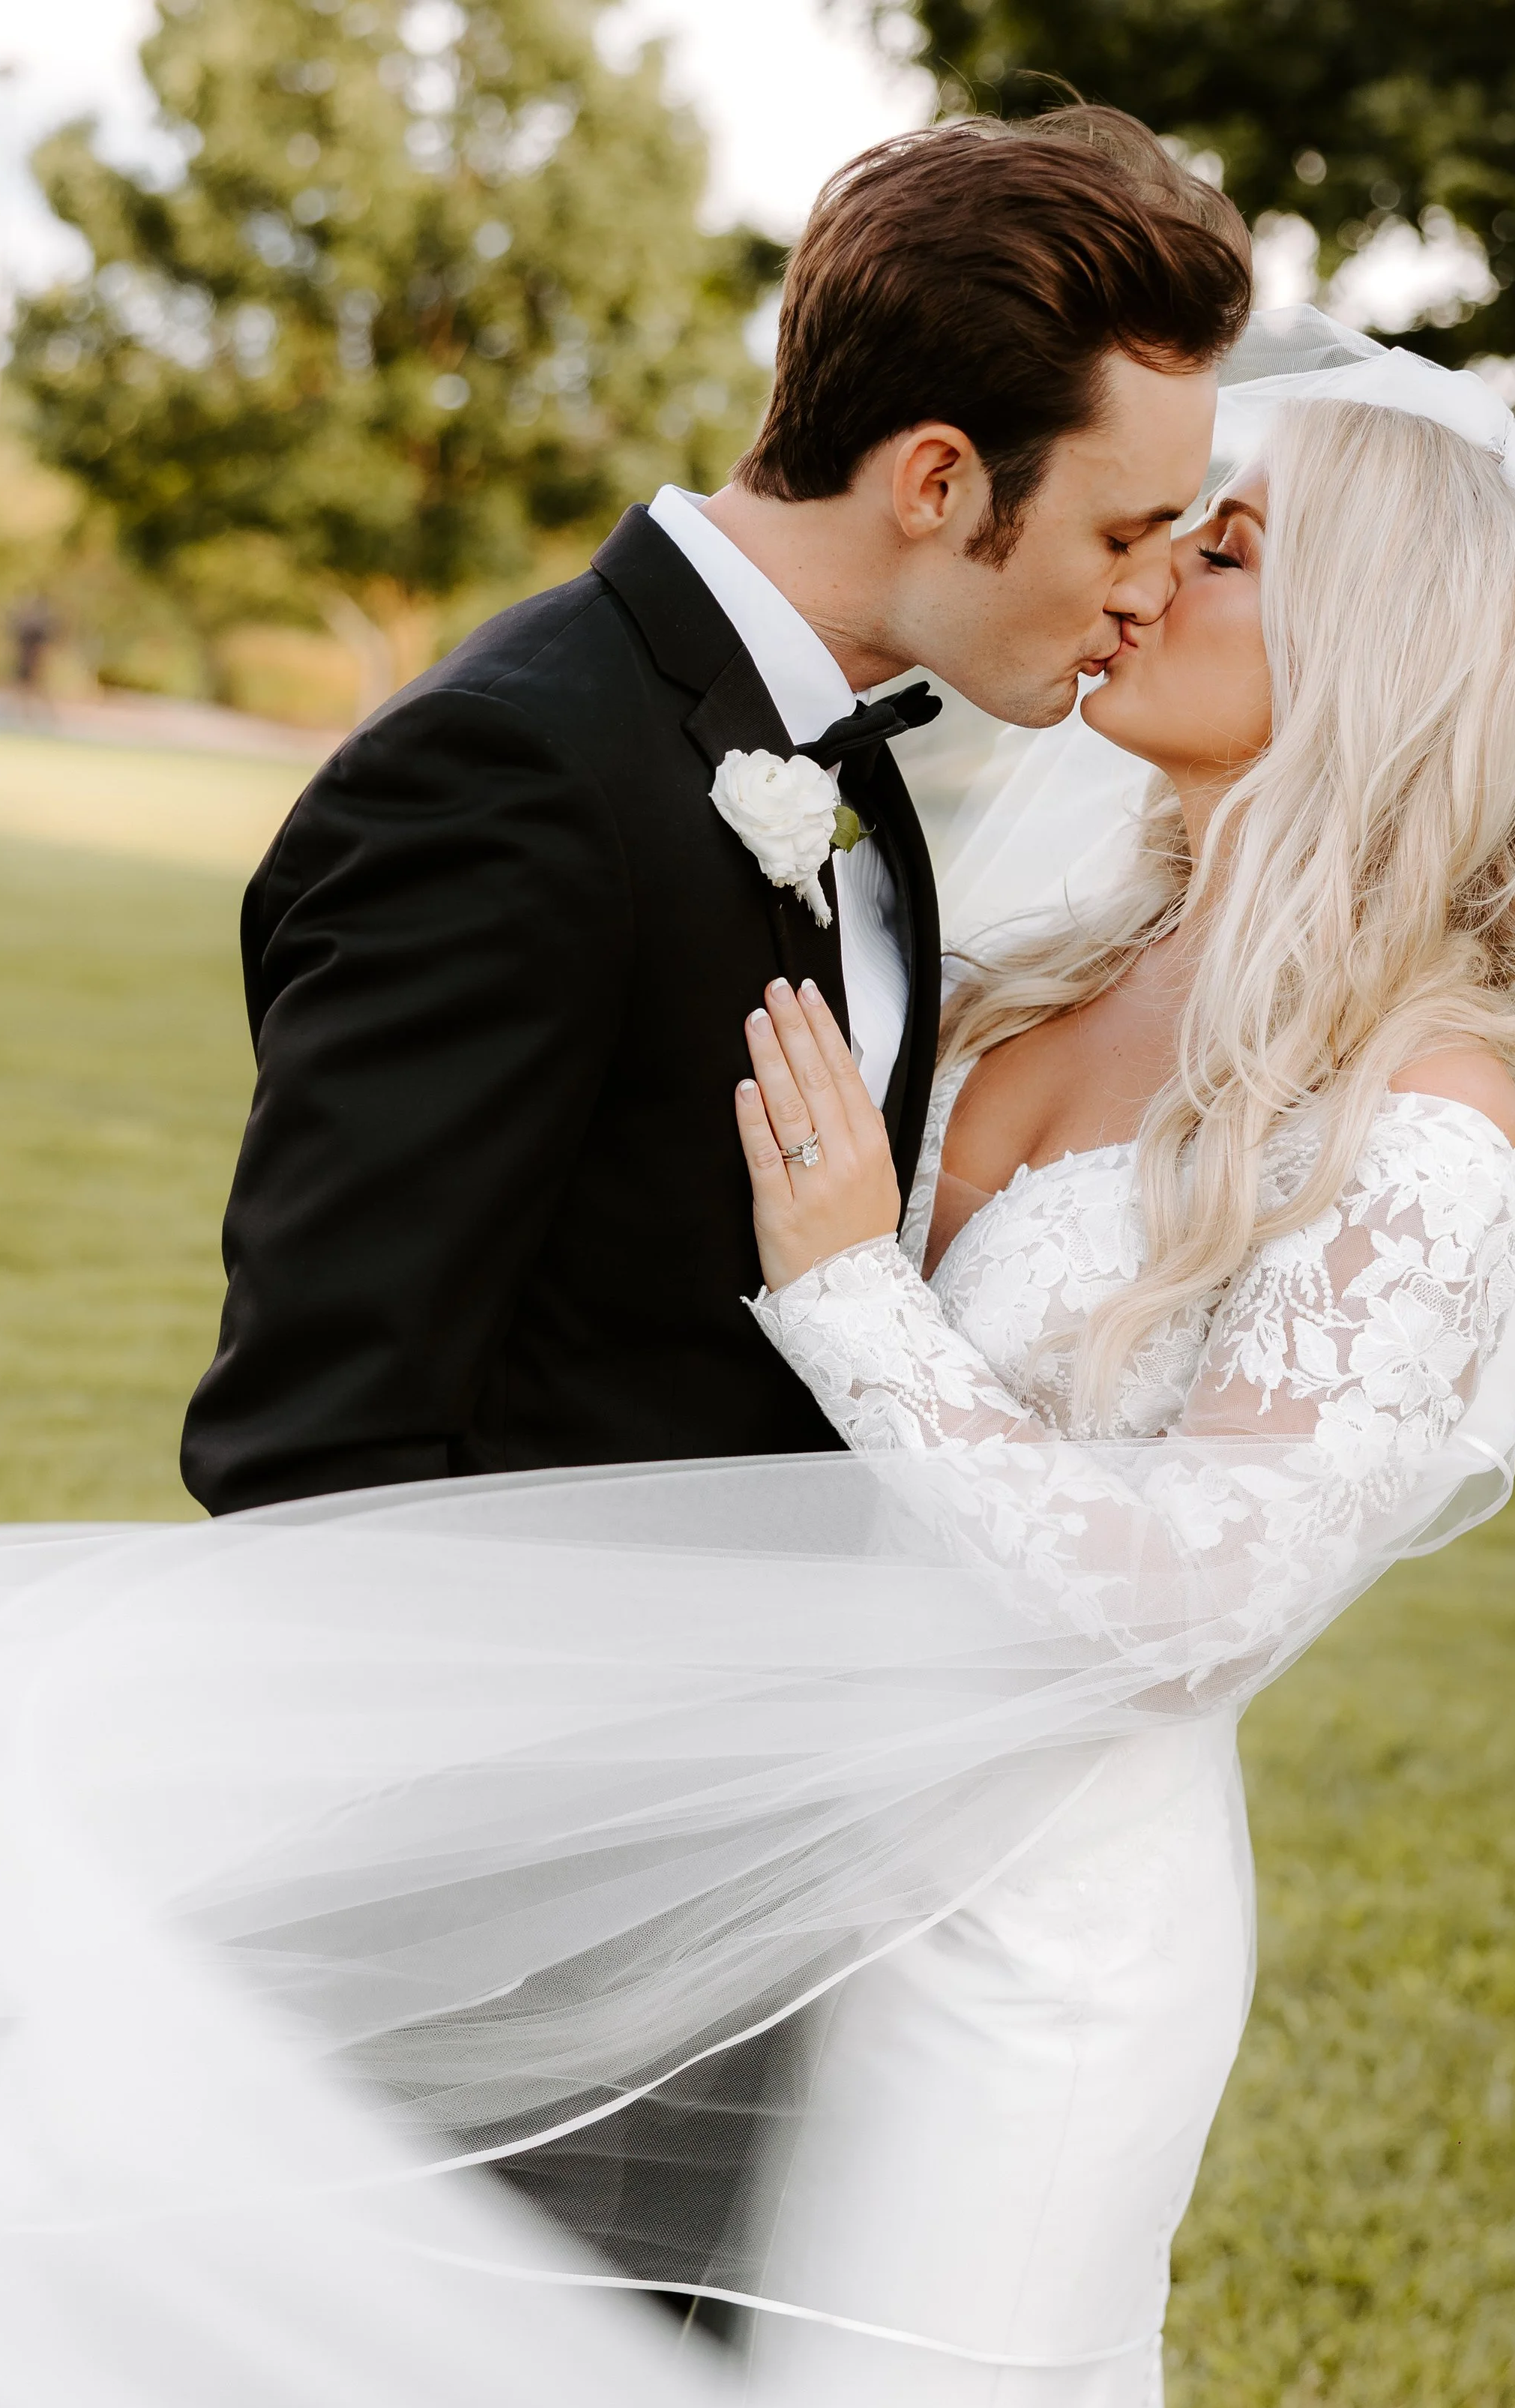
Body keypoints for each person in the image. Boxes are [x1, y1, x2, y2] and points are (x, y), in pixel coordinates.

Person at [0, 304, 1515, 2408]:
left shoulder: (1422, 1110)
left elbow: (1183, 1599)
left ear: (1389, 644)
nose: (1143, 582)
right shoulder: (1065, 949)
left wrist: (849, 1298)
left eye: (1223, 548)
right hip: (798, 1852)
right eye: (1151, 527)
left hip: (1029, 1942)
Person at [179, 109, 1250, 1513]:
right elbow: (314, 1444)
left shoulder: (851, 758)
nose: (1152, 590)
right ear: (936, 480)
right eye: (1124, 533)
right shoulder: (504, 774)